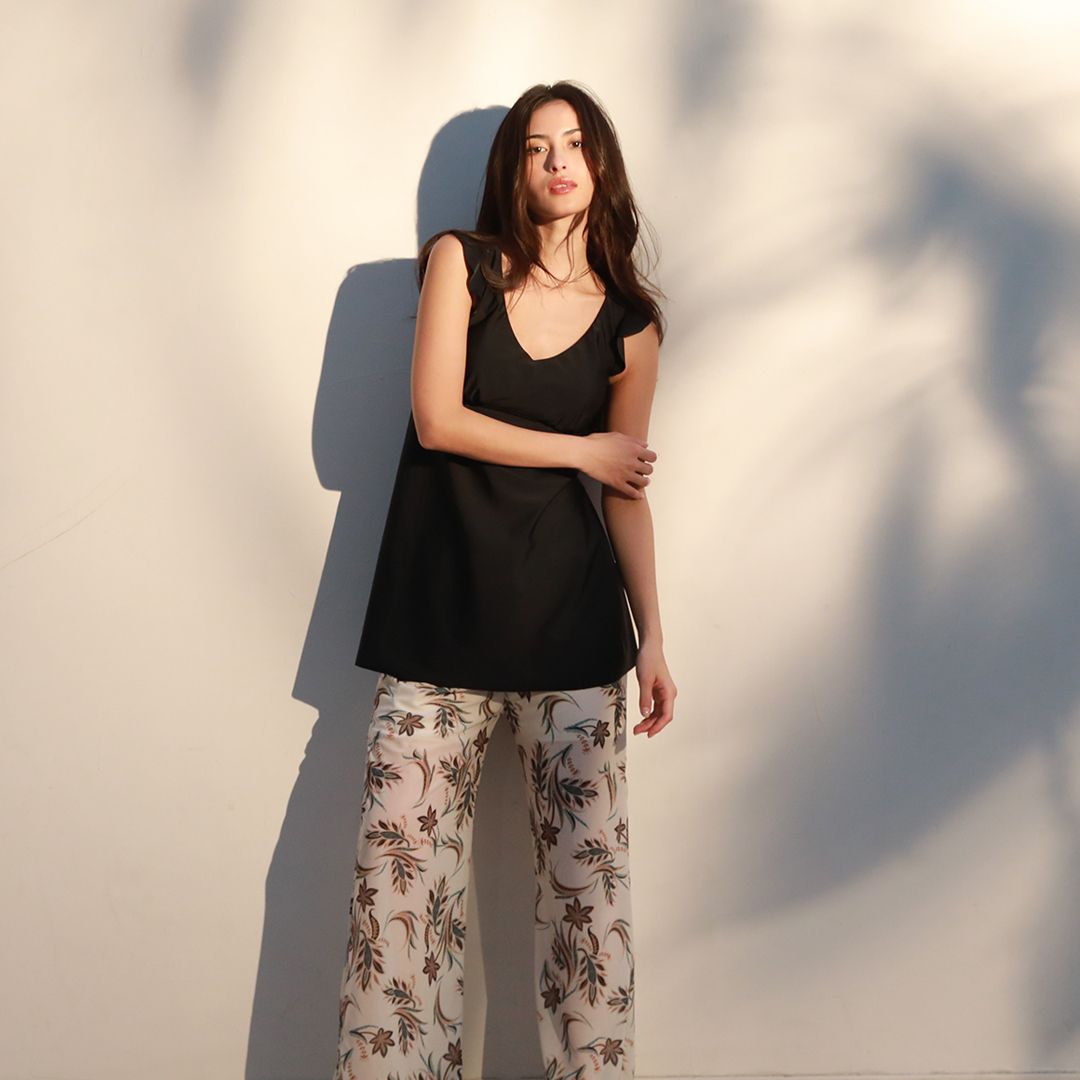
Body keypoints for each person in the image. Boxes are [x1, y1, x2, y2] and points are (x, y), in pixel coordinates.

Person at [332, 80, 677, 1080]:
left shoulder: (631, 324)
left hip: (575, 636)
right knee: (398, 905)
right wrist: (578, 450)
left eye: (575, 143)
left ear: (600, 164)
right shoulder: (463, 263)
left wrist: (653, 636)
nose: (558, 160)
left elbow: (625, 489)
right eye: (536, 146)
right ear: (514, 170)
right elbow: (438, 420)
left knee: (587, 912)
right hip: (435, 632)